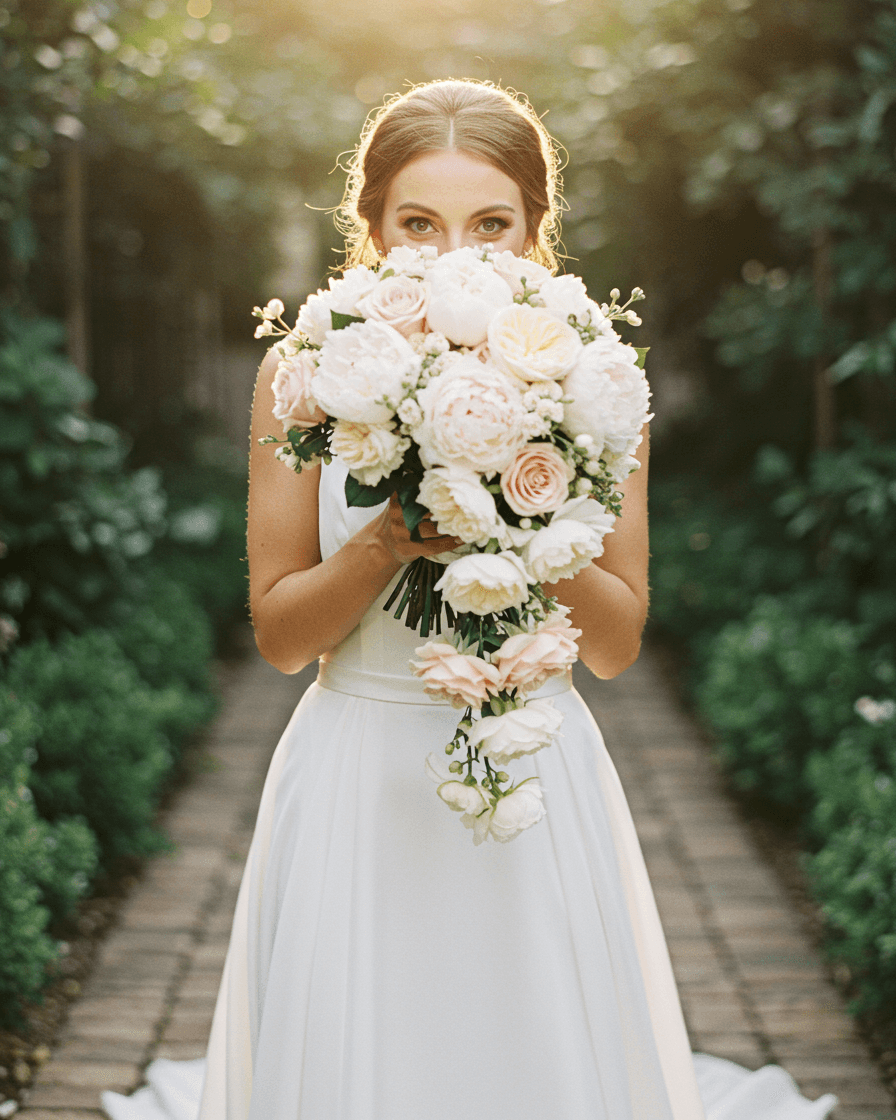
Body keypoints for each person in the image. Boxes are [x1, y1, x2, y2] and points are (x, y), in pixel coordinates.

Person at [102, 80, 837, 1120]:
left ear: (537, 229)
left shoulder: (590, 377)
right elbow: (277, 634)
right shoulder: (303, 374)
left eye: (489, 223)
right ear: (369, 229)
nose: (454, 255)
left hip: (531, 774)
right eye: (418, 223)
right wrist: (388, 539)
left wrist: (513, 514)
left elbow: (618, 643)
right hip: (360, 768)